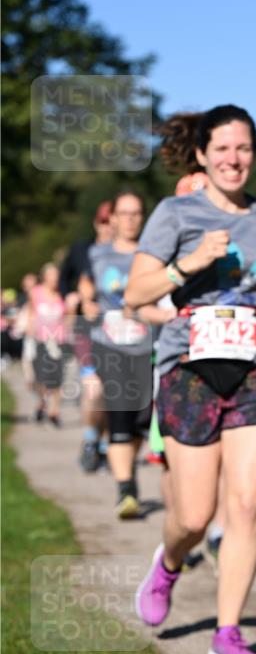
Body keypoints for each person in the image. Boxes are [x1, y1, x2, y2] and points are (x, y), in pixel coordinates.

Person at [126, 104, 256, 654]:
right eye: (222, 148)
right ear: (201, 154)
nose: (234, 158)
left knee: (246, 504)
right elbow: (134, 294)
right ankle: (169, 563)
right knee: (195, 518)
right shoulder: (175, 213)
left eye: (244, 148)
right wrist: (188, 266)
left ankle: (228, 631)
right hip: (189, 367)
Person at [79, 191, 165, 518]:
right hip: (109, 343)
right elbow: (88, 285)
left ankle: (128, 475)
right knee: (119, 411)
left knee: (141, 420)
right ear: (111, 218)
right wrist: (87, 301)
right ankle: (125, 488)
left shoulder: (154, 255)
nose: (129, 219)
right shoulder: (97, 254)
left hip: (146, 345)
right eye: (123, 213)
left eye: (135, 213)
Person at [62, 201, 114, 473]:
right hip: (87, 329)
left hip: (116, 331)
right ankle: (91, 438)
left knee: (112, 393)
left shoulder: (126, 253)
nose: (107, 227)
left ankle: (104, 444)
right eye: (103, 222)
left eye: (111, 222)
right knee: (94, 388)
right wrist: (72, 299)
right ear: (97, 223)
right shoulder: (83, 250)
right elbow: (65, 279)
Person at [27, 264, 69, 425]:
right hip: (41, 340)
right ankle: (42, 403)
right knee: (41, 378)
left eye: (56, 275)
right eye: (52, 275)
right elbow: (31, 313)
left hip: (58, 342)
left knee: (58, 378)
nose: (55, 279)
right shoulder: (36, 292)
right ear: (44, 277)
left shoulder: (61, 294)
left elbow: (67, 318)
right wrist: (30, 336)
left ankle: (54, 411)